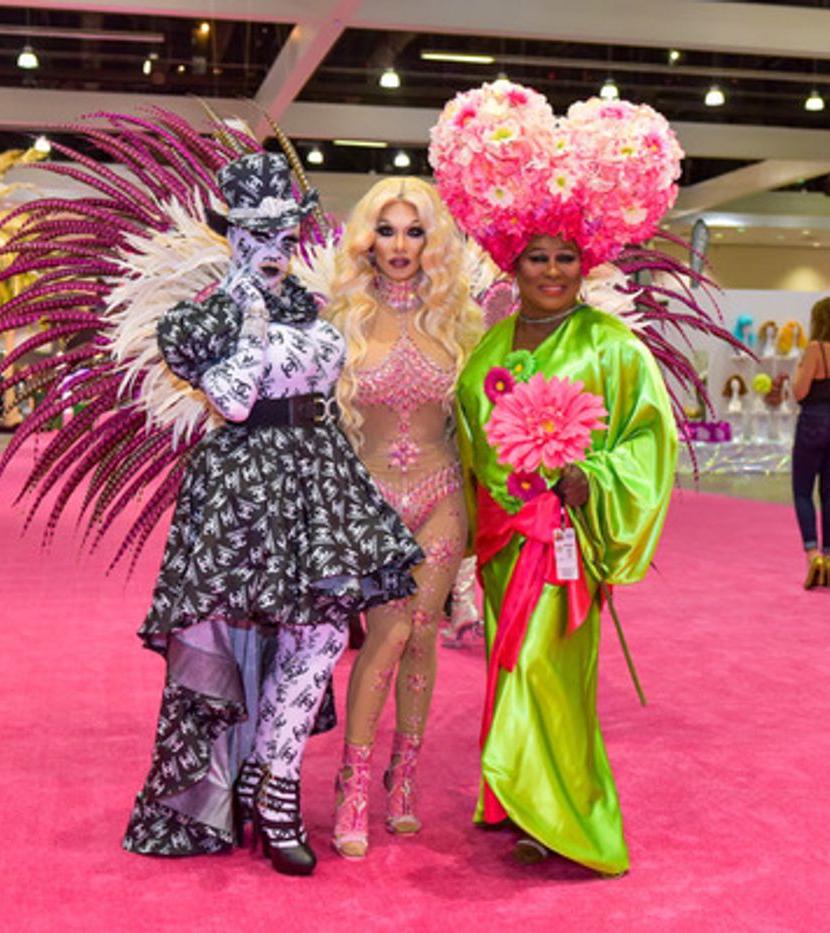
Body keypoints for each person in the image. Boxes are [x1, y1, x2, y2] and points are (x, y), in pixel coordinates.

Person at [431, 80, 716, 877]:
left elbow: (647, 440)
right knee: (509, 661)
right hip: (502, 547)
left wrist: (589, 478)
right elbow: (470, 449)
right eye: (537, 258)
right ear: (512, 263)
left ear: (584, 263)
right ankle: (514, 793)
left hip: (567, 547)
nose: (552, 270)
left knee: (548, 671)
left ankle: (570, 818)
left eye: (565, 258)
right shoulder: (485, 356)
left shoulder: (613, 347)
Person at [121, 152, 424, 877]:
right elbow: (229, 399)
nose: (275, 251)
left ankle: (273, 775)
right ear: (232, 235)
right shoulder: (197, 321)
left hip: (314, 475)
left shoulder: (307, 307)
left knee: (320, 636)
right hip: (245, 487)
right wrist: (250, 325)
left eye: (286, 236)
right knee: (253, 637)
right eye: (259, 234)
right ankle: (260, 790)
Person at [323, 177, 483, 859]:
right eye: (385, 230)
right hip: (373, 506)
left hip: (441, 495)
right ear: (366, 238)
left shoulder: (462, 320)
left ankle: (404, 777)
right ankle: (354, 782)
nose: (398, 245)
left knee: (420, 634)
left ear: (433, 241)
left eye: (413, 231)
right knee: (387, 635)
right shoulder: (342, 319)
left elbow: (480, 420)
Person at [789, 297, 830, 588]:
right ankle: (829, 557)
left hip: (815, 421)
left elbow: (800, 391)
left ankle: (812, 553)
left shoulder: (816, 349)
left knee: (803, 492)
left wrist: (797, 371)